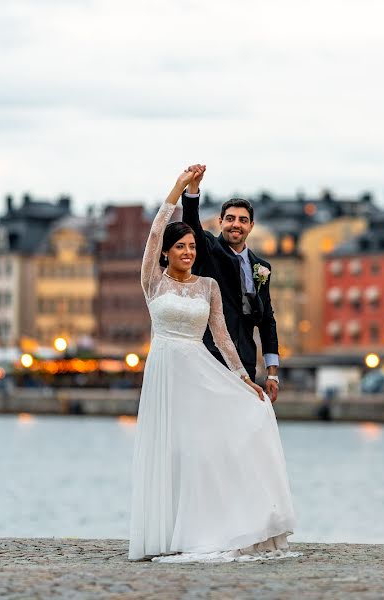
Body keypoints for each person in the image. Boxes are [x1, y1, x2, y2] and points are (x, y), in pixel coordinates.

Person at [128, 167, 297, 563]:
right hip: (167, 372)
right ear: (169, 252)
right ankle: (168, 532)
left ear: (252, 225)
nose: (188, 252)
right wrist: (183, 190)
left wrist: (248, 379)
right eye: (182, 247)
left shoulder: (212, 285)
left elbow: (223, 335)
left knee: (227, 436)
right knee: (176, 450)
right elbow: (159, 231)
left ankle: (232, 521)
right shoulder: (153, 281)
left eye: (192, 248)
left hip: (207, 368)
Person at [179, 165, 281, 402]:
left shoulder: (261, 267)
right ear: (220, 222)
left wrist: (272, 373)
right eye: (230, 219)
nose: (236, 224)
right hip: (208, 356)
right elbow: (191, 224)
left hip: (245, 361)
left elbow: (267, 321)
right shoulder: (207, 249)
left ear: (251, 226)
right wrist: (193, 189)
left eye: (243, 220)